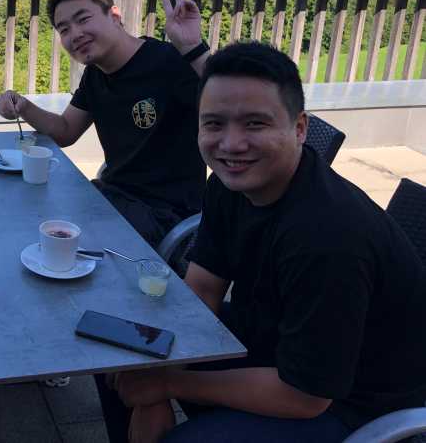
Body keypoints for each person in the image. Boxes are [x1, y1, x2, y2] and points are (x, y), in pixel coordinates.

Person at [97, 42, 426, 443]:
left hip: (352, 403)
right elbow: (203, 288)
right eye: (214, 124)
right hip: (277, 341)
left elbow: (306, 397)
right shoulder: (226, 185)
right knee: (115, 355)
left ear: (299, 128)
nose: (231, 145)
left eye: (255, 124)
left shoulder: (328, 236)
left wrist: (168, 383)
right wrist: (152, 373)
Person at [0, 0, 210, 247]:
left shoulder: (168, 62)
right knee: (33, 213)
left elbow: (234, 103)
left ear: (115, 15)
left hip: (165, 215)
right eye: (64, 29)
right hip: (113, 199)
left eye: (83, 19)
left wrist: (193, 49)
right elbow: (65, 131)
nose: (75, 34)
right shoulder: (95, 75)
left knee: (60, 242)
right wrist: (23, 106)